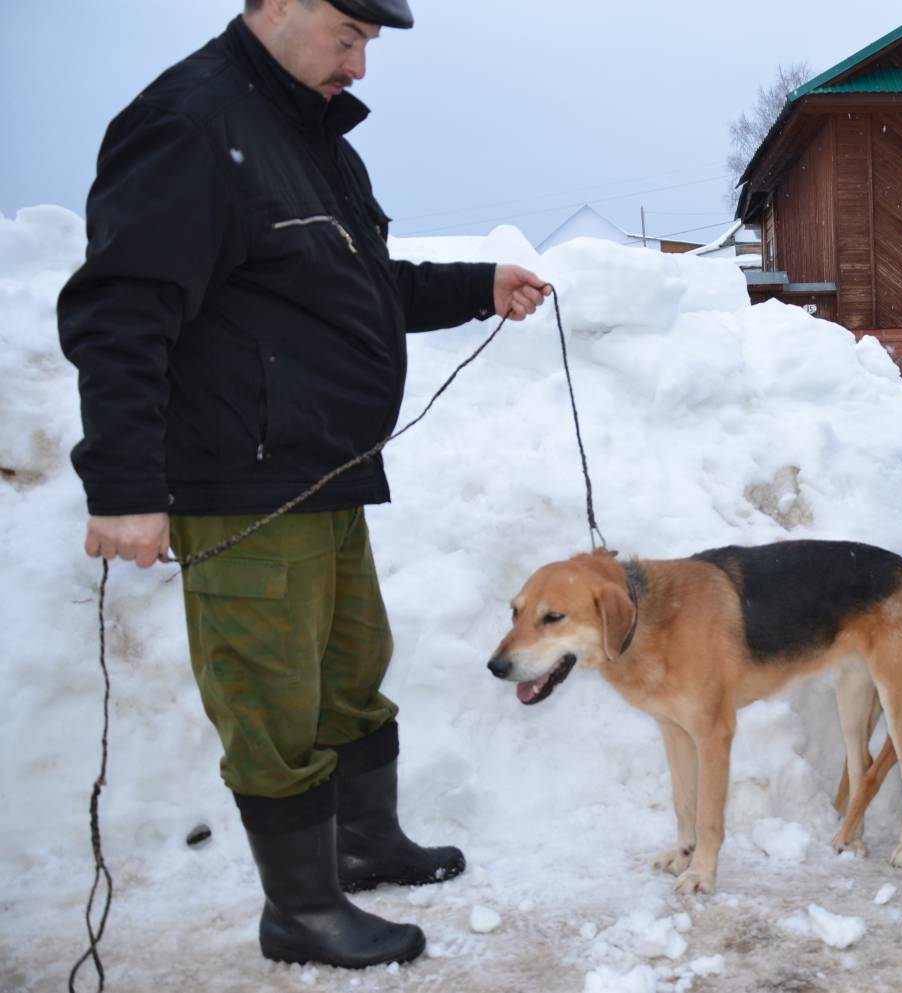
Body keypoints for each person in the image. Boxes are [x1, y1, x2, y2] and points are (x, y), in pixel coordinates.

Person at [57, 0, 550, 969]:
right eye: (351, 36)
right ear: (277, 3)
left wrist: (477, 284)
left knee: (350, 673)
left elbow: (360, 288)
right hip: (241, 481)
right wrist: (123, 483)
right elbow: (121, 307)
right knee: (273, 700)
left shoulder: (305, 135)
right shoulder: (192, 123)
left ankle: (362, 844)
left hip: (322, 473)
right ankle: (300, 912)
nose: (361, 66)